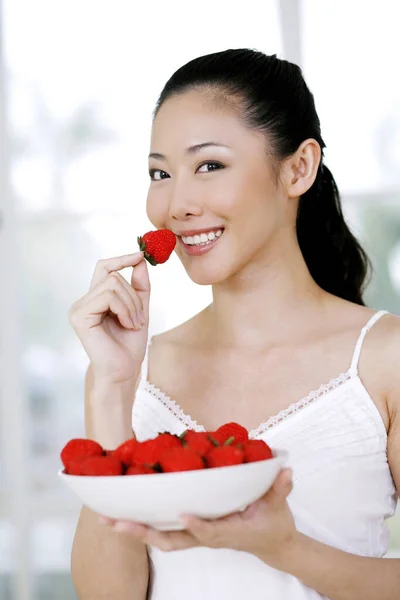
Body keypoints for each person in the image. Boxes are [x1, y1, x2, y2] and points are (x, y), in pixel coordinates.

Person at [68, 49, 400, 600]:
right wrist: (111, 391)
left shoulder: (385, 359)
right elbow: (107, 595)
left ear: (298, 168)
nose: (176, 204)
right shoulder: (133, 371)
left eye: (210, 165)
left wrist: (283, 548)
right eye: (160, 173)